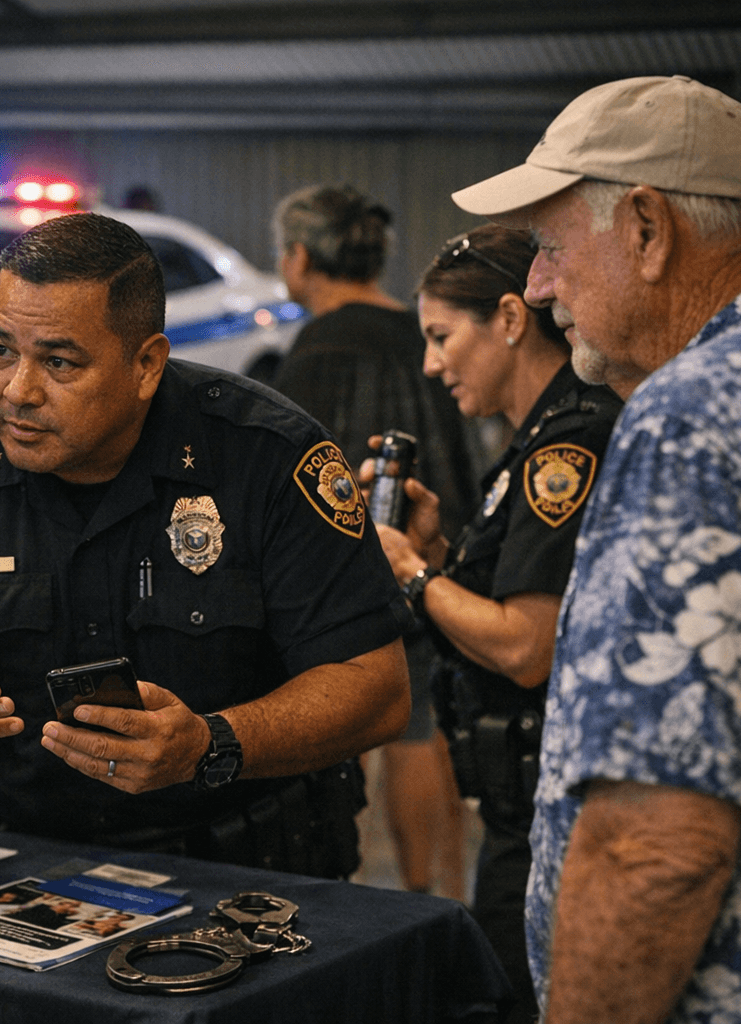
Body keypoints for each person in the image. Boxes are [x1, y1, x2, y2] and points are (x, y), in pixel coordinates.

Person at [0, 211, 411, 878]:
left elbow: (375, 687)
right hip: (3, 871)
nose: (17, 391)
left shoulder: (268, 458)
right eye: (1, 350)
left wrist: (212, 742)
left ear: (146, 364)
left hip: (246, 871)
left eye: (59, 361)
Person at [453, 74, 741, 1023]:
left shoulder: (704, 411)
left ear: (646, 228)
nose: (537, 288)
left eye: (547, 248)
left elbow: (656, 845)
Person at [371, 225, 622, 1023]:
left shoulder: (568, 446)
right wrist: (440, 554)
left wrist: (409, 573)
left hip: (554, 811)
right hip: (523, 804)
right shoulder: (530, 446)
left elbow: (524, 645)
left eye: (443, 337)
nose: (430, 364)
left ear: (512, 319)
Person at [271, 183, 481, 898]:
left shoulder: (315, 347)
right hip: (434, 556)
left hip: (345, 575)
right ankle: (433, 897)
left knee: (344, 727)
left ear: (300, 258)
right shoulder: (421, 333)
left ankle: (340, 898)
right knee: (420, 728)